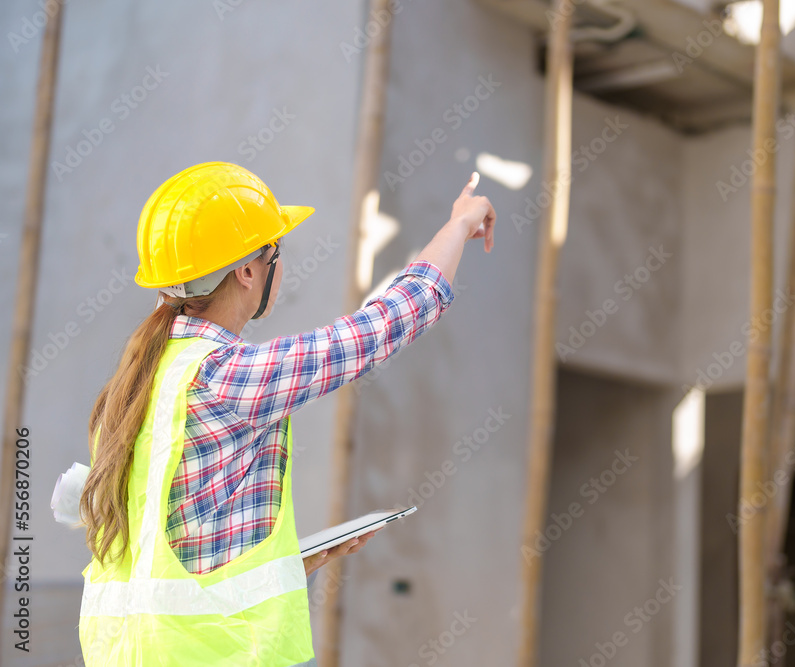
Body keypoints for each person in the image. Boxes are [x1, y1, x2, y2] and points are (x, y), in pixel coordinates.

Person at [76, 162, 496, 666]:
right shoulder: (227, 374)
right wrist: (458, 225)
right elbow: (386, 323)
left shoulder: (136, 384)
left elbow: (167, 550)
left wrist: (290, 563)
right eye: (276, 251)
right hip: (225, 654)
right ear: (248, 270)